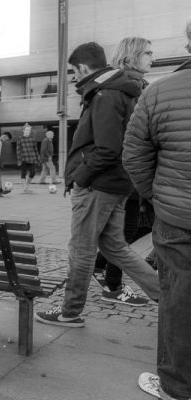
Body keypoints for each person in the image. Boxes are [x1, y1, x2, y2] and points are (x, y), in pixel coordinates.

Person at [34, 41, 159, 328]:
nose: (74, 77)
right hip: (115, 185)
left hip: (98, 186)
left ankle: (69, 311)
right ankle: (165, 295)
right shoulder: (119, 91)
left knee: (81, 249)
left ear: (82, 67)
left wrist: (80, 176)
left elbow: (107, 148)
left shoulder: (105, 94)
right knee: (116, 247)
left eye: (73, 71)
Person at [124, 20, 191, 400]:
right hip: (176, 209)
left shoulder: (161, 91)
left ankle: (178, 389)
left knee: (179, 297)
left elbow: (134, 155)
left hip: (177, 214)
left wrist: (155, 195)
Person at [93, 36, 155, 306]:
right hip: (129, 173)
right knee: (128, 231)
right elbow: (133, 135)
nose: (153, 58)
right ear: (131, 56)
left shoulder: (132, 84)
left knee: (138, 226)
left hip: (127, 173)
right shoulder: (131, 87)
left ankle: (100, 267)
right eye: (148, 53)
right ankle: (113, 286)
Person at [16, 123, 39, 193]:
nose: (28, 131)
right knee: (23, 173)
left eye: (29, 130)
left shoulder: (32, 138)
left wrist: (38, 158)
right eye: (27, 130)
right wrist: (19, 159)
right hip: (23, 158)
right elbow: (18, 150)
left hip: (32, 158)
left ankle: (26, 186)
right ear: (23, 130)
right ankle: (26, 188)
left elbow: (36, 149)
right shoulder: (20, 139)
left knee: (33, 172)